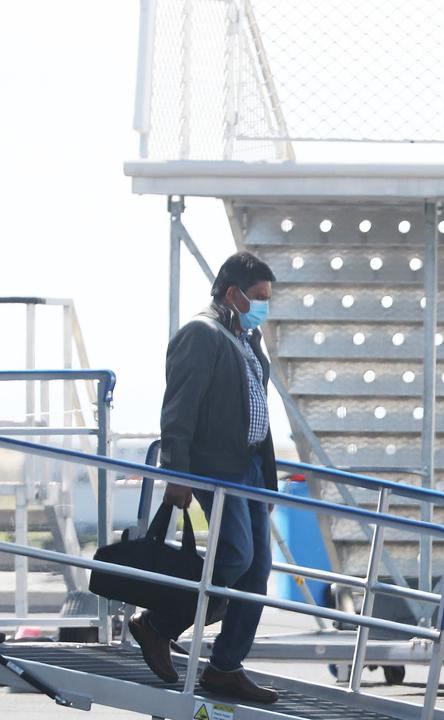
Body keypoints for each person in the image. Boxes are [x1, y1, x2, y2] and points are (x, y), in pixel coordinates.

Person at [129, 251, 280, 703]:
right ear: (232, 293)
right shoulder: (202, 333)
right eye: (258, 297)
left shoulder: (246, 338)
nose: (264, 306)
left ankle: (225, 667)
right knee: (234, 556)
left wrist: (266, 479)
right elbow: (179, 409)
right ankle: (156, 624)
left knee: (258, 569)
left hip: (250, 469)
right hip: (219, 468)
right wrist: (176, 473)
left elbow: (259, 413)